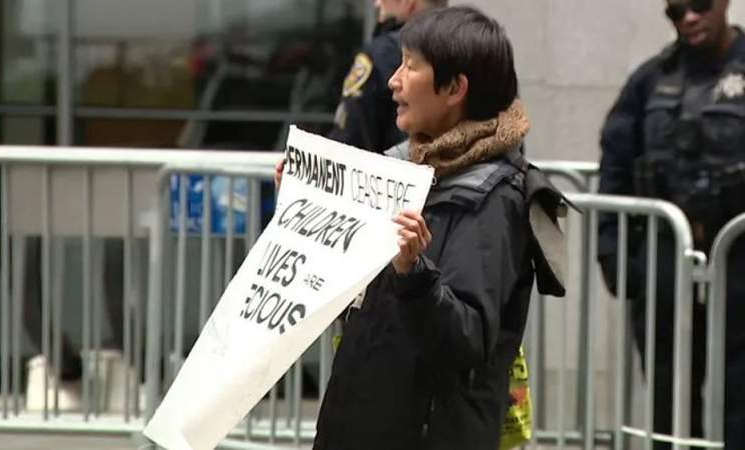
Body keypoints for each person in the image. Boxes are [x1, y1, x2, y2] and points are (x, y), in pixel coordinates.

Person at [277, 6, 568, 449]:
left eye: (411, 67)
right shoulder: (398, 171)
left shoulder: (496, 198)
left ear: (455, 88)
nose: (394, 81)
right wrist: (308, 207)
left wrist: (413, 274)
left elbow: (465, 340)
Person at [597, 0, 745, 447]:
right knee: (668, 399)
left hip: (739, 260)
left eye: (700, 5)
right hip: (667, 265)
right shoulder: (650, 80)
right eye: (676, 11)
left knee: (740, 397)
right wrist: (616, 257)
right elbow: (615, 169)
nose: (690, 19)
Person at [327, 0, 446, 153]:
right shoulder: (465, 49)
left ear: (407, 3)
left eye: (409, 66)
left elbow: (349, 137)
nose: (377, 4)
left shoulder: (381, 51)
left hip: (387, 169)